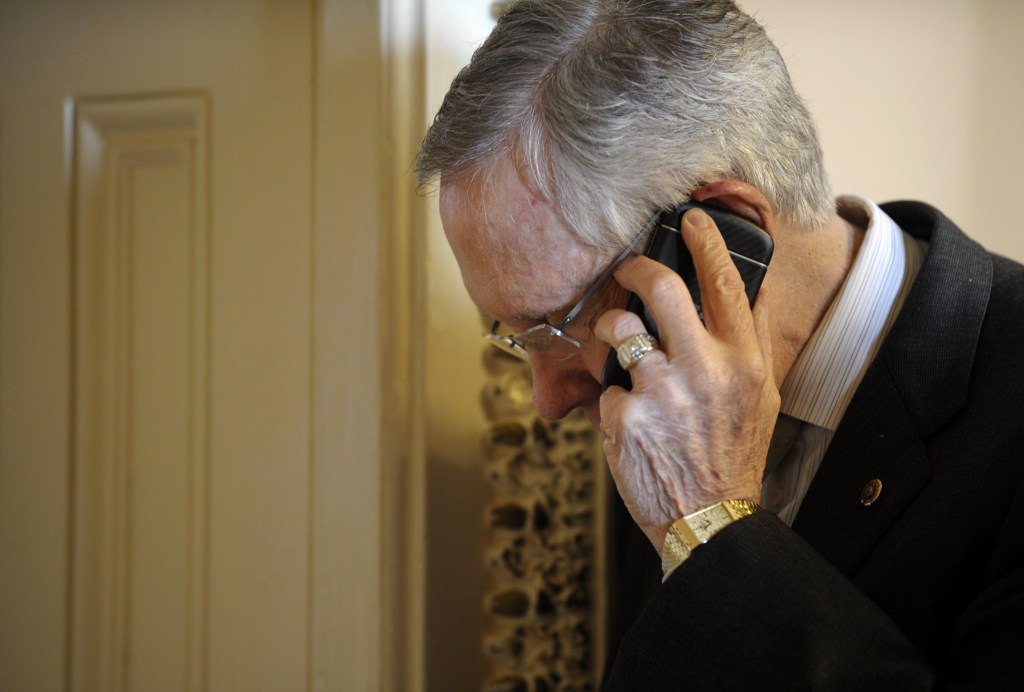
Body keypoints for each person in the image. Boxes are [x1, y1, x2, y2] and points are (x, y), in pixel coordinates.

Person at [416, 0, 1024, 688]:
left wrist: (713, 530)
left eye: (560, 324)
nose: (548, 400)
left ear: (724, 239)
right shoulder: (652, 402)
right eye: (515, 336)